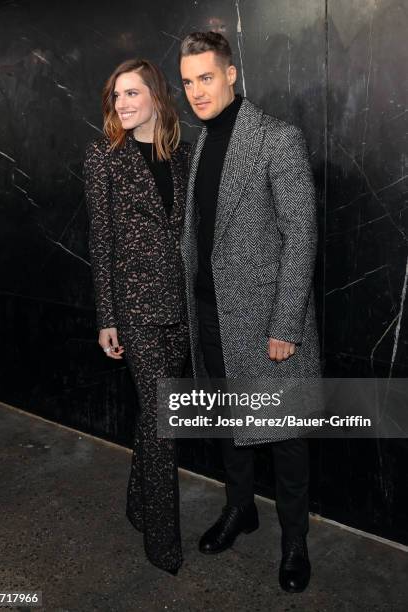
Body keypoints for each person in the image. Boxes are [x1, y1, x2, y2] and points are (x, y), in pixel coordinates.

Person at [179, 32, 321, 592]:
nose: (196, 91)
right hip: (210, 315)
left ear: (231, 74)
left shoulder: (276, 138)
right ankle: (241, 509)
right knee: (228, 424)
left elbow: (300, 235)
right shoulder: (200, 144)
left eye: (206, 78)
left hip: (267, 325)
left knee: (285, 438)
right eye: (188, 82)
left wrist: (286, 325)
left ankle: (294, 543)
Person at [83, 59, 191, 576]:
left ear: (156, 97)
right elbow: (99, 242)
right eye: (115, 96)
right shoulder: (103, 156)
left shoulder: (182, 156)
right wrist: (108, 317)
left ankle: (135, 504)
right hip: (135, 308)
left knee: (154, 414)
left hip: (181, 308)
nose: (122, 104)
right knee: (164, 418)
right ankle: (163, 544)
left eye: (131, 94)